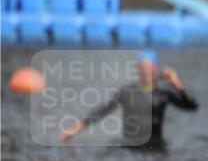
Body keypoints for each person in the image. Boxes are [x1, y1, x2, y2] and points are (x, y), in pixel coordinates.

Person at [59, 50, 197, 149]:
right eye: (142, 68)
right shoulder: (127, 92)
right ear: (138, 69)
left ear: (155, 69)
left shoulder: (163, 94)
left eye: (148, 68)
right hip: (130, 147)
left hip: (155, 148)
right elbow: (102, 111)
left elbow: (192, 106)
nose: (145, 72)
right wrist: (74, 129)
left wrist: (177, 85)